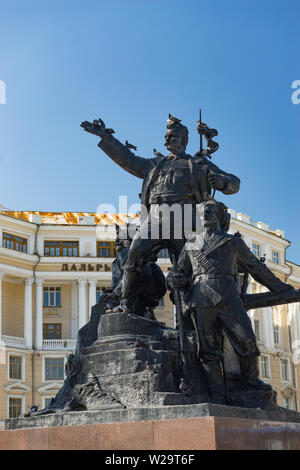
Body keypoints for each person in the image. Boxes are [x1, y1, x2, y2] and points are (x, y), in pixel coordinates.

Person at [81, 115, 240, 312]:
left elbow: (234, 182)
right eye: (166, 137)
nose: (166, 141)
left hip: (185, 218)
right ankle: (126, 303)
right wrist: (106, 137)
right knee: (135, 254)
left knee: (190, 268)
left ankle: (190, 312)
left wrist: (221, 181)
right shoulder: (154, 165)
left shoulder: (198, 164)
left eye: (171, 136)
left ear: (183, 140)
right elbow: (127, 159)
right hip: (156, 217)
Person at [167, 199, 292, 404]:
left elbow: (257, 269)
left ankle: (250, 380)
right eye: (202, 212)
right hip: (201, 299)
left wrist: (280, 288)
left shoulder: (233, 243)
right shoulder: (191, 245)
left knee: (247, 339)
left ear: (219, 216)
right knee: (208, 349)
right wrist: (173, 279)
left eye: (209, 211)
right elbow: (178, 273)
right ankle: (217, 394)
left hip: (228, 297)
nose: (204, 214)